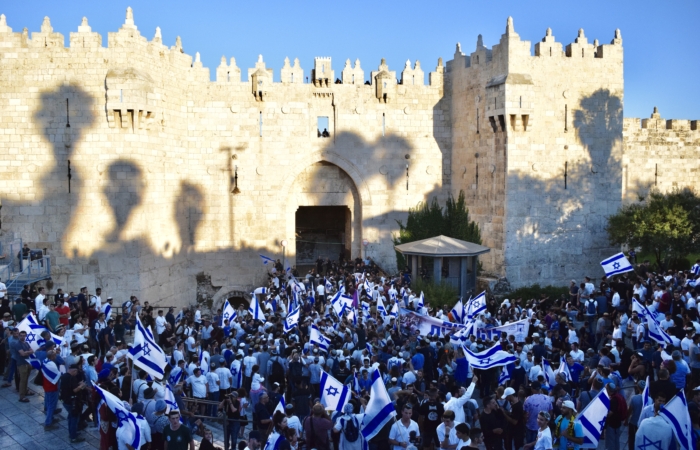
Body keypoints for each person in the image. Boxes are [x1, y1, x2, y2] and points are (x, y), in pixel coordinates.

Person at [61, 363, 88, 443]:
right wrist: (81, 386)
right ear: (74, 371)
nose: (77, 374)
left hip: (65, 400)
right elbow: (74, 390)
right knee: (74, 419)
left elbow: (68, 387)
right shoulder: (72, 378)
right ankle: (73, 437)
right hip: (72, 402)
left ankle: (72, 433)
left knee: (70, 417)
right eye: (76, 372)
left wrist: (78, 384)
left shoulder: (64, 376)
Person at [11, 329, 34, 402]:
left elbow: (32, 351)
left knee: (26, 378)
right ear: (19, 336)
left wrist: (27, 352)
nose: (22, 337)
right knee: (23, 380)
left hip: (27, 363)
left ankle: (25, 391)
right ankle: (22, 396)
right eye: (21, 335)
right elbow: (22, 354)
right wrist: (28, 352)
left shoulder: (26, 343)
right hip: (21, 364)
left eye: (24, 336)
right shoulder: (17, 344)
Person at [42, 349, 61, 430]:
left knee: (49, 403)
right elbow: (58, 375)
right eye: (55, 355)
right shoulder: (52, 364)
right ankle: (48, 423)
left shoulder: (44, 361)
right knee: (52, 405)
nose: (56, 356)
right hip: (52, 387)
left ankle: (51, 418)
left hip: (46, 385)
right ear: (52, 356)